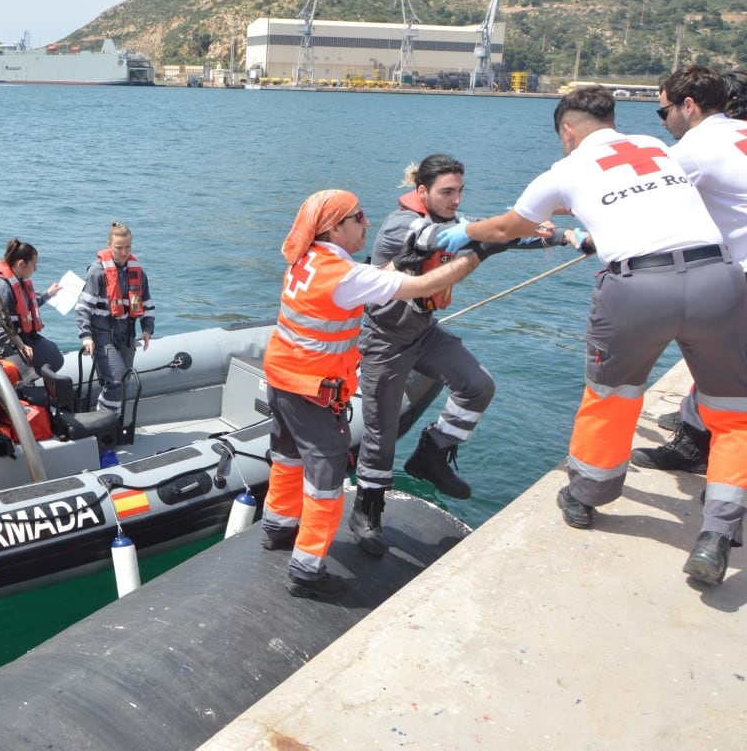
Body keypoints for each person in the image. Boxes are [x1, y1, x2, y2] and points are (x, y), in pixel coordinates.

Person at [438, 85, 747, 587]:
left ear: (567, 131)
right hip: (719, 279)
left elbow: (508, 228)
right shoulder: (655, 147)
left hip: (639, 288)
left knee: (613, 396)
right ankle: (717, 534)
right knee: (734, 414)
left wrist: (466, 232)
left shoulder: (566, 169)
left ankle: (585, 497)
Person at [260, 190, 489, 600]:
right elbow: (422, 284)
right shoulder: (346, 276)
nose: (367, 223)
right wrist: (477, 256)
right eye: (358, 217)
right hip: (313, 390)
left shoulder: (307, 259)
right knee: (325, 480)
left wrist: (397, 261)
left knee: (287, 457)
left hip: (281, 378)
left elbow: (369, 277)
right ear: (334, 227)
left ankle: (277, 529)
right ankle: (306, 571)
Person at [351, 154, 578, 556]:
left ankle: (431, 452)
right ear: (422, 192)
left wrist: (562, 237)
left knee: (478, 385)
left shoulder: (452, 220)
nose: (455, 200)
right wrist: (500, 234)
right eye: (447, 192)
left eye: (459, 191)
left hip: (423, 332)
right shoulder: (401, 224)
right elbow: (456, 239)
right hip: (385, 340)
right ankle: (368, 509)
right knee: (381, 432)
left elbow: (495, 234)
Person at [631, 66, 747, 474]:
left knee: (716, 360)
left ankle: (695, 449)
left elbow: (632, 196)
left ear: (689, 105)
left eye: (664, 113)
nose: (664, 122)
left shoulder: (694, 149)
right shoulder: (739, 132)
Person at [75, 221, 155, 413]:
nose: (123, 252)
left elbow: (147, 303)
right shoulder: (97, 272)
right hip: (103, 335)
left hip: (127, 336)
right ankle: (104, 422)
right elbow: (83, 307)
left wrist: (147, 329)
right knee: (116, 380)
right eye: (119, 247)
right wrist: (86, 336)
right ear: (109, 244)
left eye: (128, 247)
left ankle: (109, 420)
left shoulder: (139, 272)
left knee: (123, 381)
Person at [0, 237, 64, 373]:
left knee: (54, 352)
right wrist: (19, 346)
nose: (35, 269)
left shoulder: (18, 280)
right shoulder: (2, 288)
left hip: (24, 336)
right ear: (21, 264)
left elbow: (26, 303)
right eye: (33, 265)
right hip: (8, 345)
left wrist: (48, 293)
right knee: (54, 359)